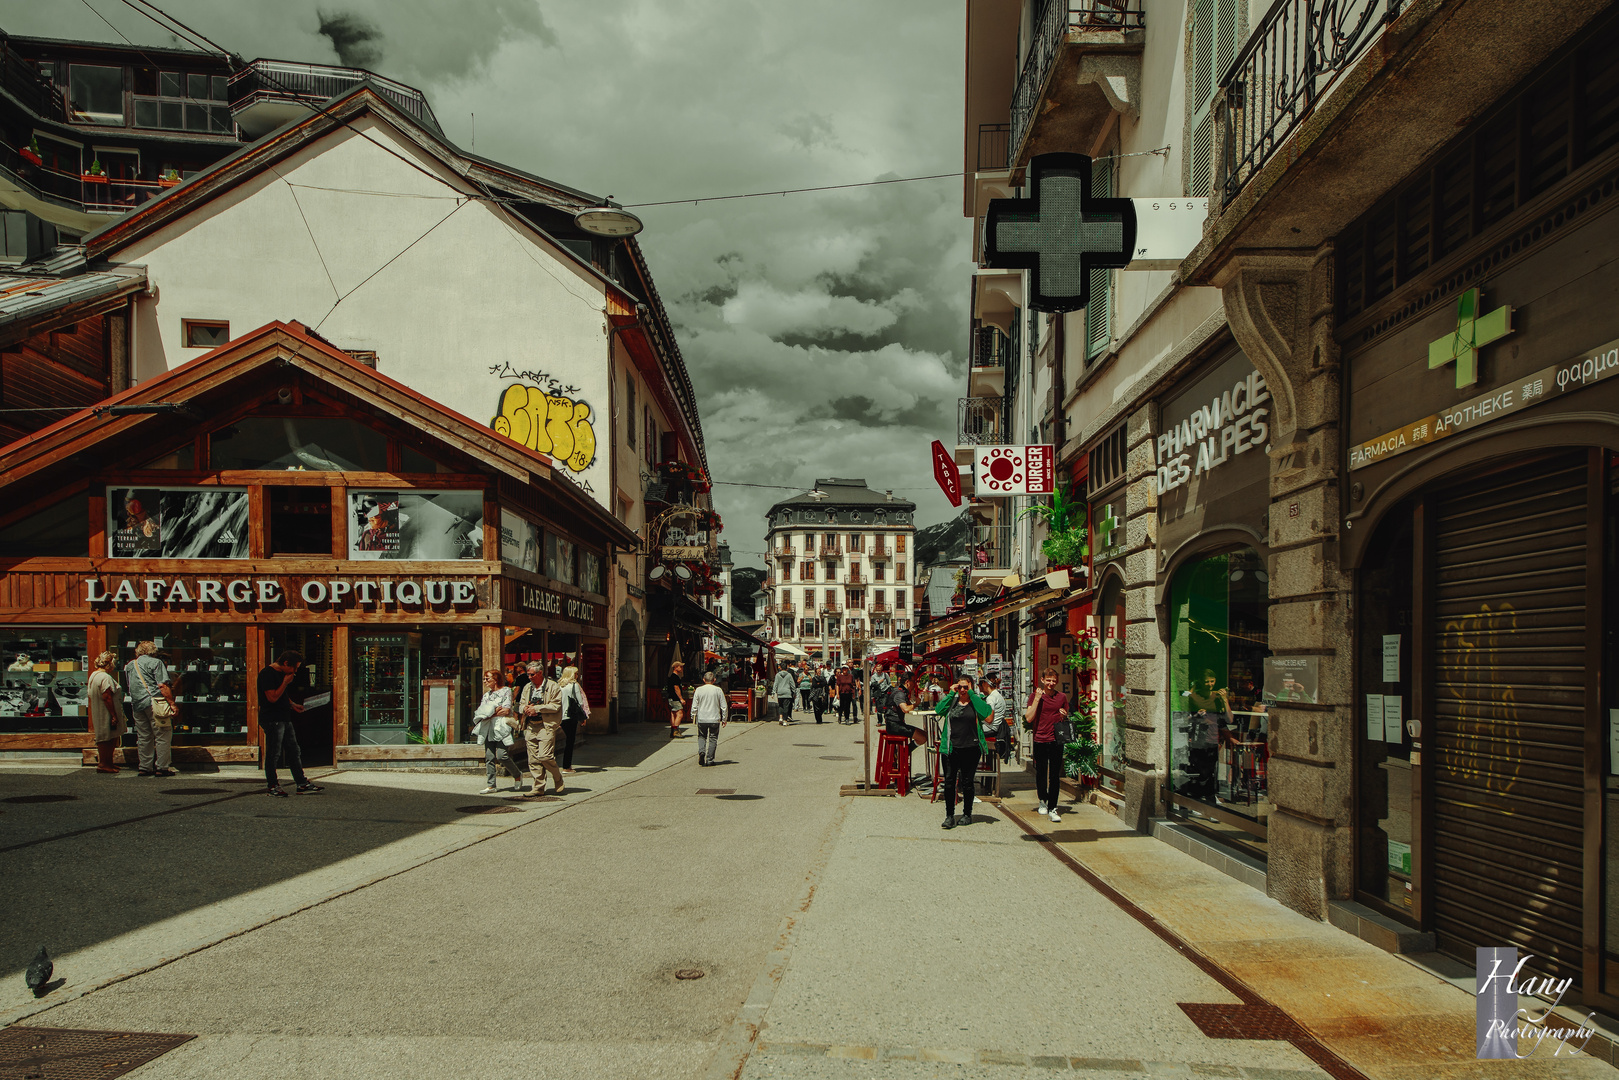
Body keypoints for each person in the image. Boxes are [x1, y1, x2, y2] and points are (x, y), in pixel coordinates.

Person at [258, 650, 321, 796]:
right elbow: (272, 697)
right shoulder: (267, 673)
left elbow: (282, 696)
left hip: (284, 717)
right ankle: (272, 786)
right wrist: (285, 682)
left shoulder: (281, 673)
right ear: (286, 663)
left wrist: (292, 705)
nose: (295, 671)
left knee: (294, 750)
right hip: (272, 719)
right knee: (273, 753)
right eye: (295, 667)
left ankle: (302, 783)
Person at [935, 675, 990, 828]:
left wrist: (972, 694)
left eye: (966, 687)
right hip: (951, 748)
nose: (963, 690)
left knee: (967, 782)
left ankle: (967, 814)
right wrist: (951, 693)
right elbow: (939, 710)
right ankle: (949, 816)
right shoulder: (953, 700)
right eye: (961, 687)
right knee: (949, 782)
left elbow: (986, 713)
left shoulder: (976, 702)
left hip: (971, 748)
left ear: (971, 687)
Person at [125, 641, 176, 778]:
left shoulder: (130, 665)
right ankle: (162, 767)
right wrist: (171, 703)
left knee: (143, 736)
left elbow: (129, 684)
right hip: (154, 702)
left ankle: (145, 767)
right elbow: (162, 686)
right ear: (153, 651)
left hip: (137, 704)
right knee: (162, 734)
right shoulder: (156, 663)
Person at [1023, 668, 1069, 823]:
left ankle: (1053, 807)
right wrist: (1036, 698)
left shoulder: (1061, 697)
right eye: (1048, 680)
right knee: (1041, 772)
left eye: (1054, 681)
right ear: (1042, 680)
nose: (1051, 683)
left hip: (1056, 740)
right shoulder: (1034, 697)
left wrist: (1063, 715)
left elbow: (1064, 716)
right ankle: (1042, 799)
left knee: (1055, 775)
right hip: (1040, 739)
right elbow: (1029, 718)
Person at [518, 660, 566, 797]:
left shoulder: (553, 686)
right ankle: (538, 787)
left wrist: (537, 708)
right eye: (528, 674)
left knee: (545, 756)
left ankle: (557, 777)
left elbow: (555, 706)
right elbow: (520, 704)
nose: (529, 677)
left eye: (532, 674)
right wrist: (525, 708)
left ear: (540, 673)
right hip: (530, 726)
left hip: (546, 725)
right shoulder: (528, 687)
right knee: (533, 759)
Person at [472, 669, 522, 794]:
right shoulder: (486, 695)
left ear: (496, 679)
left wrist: (489, 713)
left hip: (501, 727)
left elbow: (505, 710)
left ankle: (517, 775)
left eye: (487, 679)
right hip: (488, 728)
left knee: (502, 755)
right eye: (484, 679)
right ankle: (491, 785)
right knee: (489, 756)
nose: (485, 681)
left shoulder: (506, 691)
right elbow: (481, 713)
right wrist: (494, 711)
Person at [1184, 669, 1230, 800]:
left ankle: (1209, 798)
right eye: (1207, 682)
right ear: (1200, 682)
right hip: (1198, 739)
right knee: (1200, 771)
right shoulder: (1193, 696)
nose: (1210, 684)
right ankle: (1198, 798)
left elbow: (1228, 718)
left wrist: (1225, 699)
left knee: (1211, 770)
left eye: (1212, 681)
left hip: (1214, 737)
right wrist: (1196, 716)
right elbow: (1182, 716)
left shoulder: (1217, 697)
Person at [88, 651, 127, 775]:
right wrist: (114, 715)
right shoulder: (105, 677)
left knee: (105, 737)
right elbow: (107, 696)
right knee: (108, 738)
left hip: (98, 710)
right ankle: (104, 764)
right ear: (109, 664)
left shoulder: (94, 675)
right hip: (106, 712)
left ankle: (108, 762)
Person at [690, 671, 728, 766]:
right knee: (713, 738)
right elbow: (724, 706)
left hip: (702, 718)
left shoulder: (698, 690)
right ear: (714, 680)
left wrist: (693, 715)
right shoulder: (718, 690)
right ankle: (710, 759)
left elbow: (694, 705)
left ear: (703, 680)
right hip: (714, 718)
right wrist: (724, 719)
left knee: (701, 736)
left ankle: (702, 751)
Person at [557, 666, 590, 773]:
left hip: (560, 716)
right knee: (570, 741)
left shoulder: (559, 686)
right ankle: (566, 766)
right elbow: (579, 702)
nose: (577, 675)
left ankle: (565, 765)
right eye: (575, 673)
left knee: (566, 740)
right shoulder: (574, 685)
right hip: (571, 716)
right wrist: (583, 717)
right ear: (571, 674)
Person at [981, 675, 1014, 763]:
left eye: (981, 683)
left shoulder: (991, 698)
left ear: (986, 684)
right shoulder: (997, 695)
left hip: (990, 728)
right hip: (996, 727)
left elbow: (989, 719)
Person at [665, 661, 687, 740]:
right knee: (680, 713)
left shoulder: (671, 677)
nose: (681, 668)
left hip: (671, 697)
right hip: (675, 698)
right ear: (675, 667)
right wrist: (681, 698)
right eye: (680, 666)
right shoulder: (675, 677)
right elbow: (676, 688)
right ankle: (676, 730)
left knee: (673, 713)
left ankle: (672, 730)